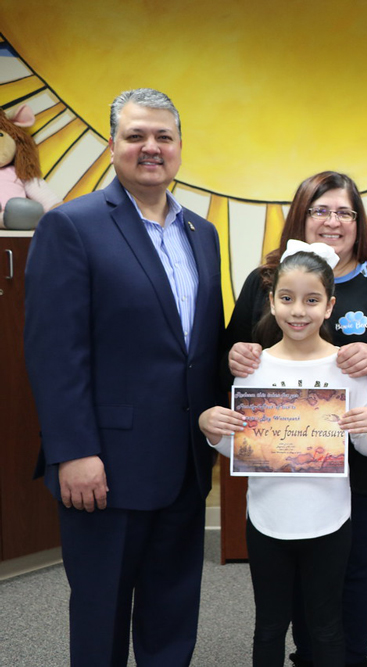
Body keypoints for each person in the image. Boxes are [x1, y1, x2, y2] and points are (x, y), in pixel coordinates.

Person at [23, 88, 224, 665]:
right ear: (113, 145)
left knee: (172, 617)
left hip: (184, 465)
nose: (151, 147)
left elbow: (196, 348)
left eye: (163, 136)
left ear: (181, 146)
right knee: (100, 618)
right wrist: (74, 451)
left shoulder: (201, 234)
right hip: (104, 467)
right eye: (136, 136)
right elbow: (55, 353)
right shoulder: (72, 225)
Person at [226, 171, 367, 667]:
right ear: (301, 215)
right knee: (292, 571)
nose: (333, 221)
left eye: (344, 212)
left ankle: (350, 658)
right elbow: (227, 357)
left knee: (356, 570)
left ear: (358, 223)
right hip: (286, 462)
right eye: (321, 210)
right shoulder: (265, 281)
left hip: (364, 459)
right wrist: (238, 355)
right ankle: (306, 656)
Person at [201, 244, 367, 667]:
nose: (298, 311)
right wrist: (213, 430)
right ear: (271, 301)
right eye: (286, 299)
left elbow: (363, 443)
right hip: (267, 519)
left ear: (330, 306)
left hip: (330, 520)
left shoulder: (347, 368)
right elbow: (241, 446)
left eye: (311, 300)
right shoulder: (253, 368)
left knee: (326, 626)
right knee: (268, 627)